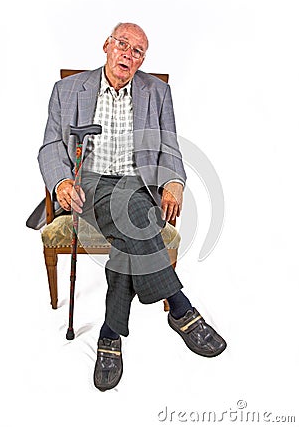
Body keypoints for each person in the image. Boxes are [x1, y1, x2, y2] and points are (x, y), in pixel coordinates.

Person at [33, 22, 226, 391]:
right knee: (131, 216)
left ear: (142, 60)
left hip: (138, 185)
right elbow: (49, 148)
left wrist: (172, 182)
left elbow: (169, 146)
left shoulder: (158, 92)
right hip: (88, 184)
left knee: (128, 231)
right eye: (123, 44)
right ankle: (180, 307)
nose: (128, 54)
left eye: (138, 51)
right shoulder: (68, 89)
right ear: (106, 45)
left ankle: (110, 333)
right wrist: (60, 182)